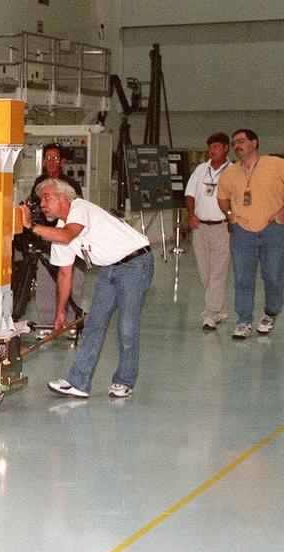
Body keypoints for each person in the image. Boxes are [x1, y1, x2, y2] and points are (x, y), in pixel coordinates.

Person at [20, 178, 153, 399]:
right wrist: (60, 312)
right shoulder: (59, 231)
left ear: (64, 197)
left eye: (47, 197)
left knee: (127, 328)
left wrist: (31, 226)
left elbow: (68, 235)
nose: (42, 204)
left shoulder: (79, 208)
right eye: (40, 199)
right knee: (93, 325)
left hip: (136, 263)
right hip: (109, 268)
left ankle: (124, 381)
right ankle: (78, 382)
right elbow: (64, 273)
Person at [216, 128, 284, 339]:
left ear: (254, 143)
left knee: (273, 274)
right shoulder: (229, 173)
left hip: (272, 227)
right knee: (243, 277)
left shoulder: (275, 164)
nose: (237, 145)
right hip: (242, 230)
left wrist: (282, 212)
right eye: (235, 142)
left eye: (242, 141)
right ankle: (244, 320)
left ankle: (271, 311)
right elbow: (222, 197)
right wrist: (229, 214)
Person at [27, 143, 84, 326]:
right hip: (45, 241)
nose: (52, 162)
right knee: (45, 281)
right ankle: (47, 321)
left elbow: (74, 216)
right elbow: (35, 209)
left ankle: (70, 319)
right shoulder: (39, 184)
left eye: (55, 159)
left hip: (69, 238)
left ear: (62, 162)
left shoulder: (70, 186)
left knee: (71, 278)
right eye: (48, 158)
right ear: (43, 161)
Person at [184, 132, 232, 331]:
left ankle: (210, 314)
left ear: (225, 148)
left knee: (218, 271)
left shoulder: (233, 171)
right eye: (210, 147)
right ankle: (220, 308)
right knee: (206, 271)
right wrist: (191, 215)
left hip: (222, 227)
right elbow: (190, 194)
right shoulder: (201, 169)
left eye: (216, 147)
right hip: (200, 227)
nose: (212, 151)